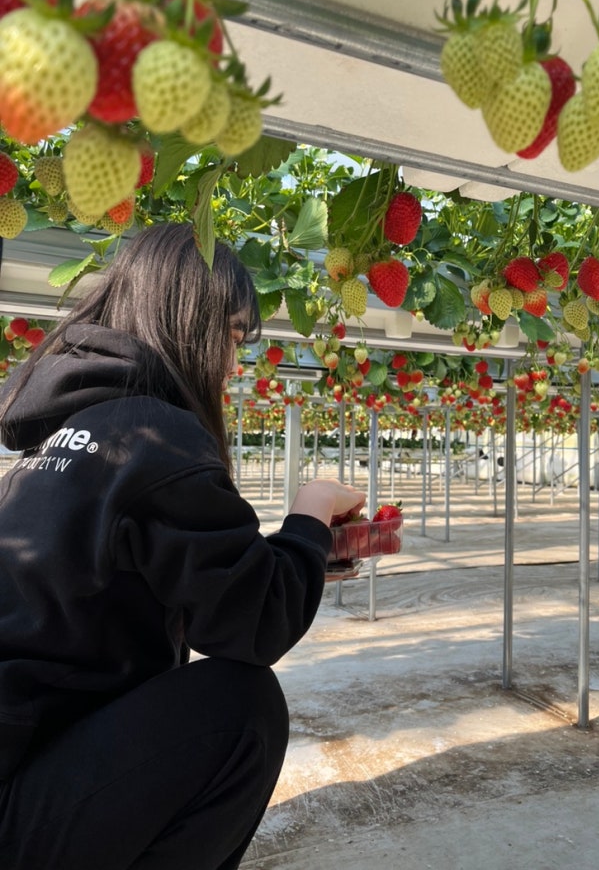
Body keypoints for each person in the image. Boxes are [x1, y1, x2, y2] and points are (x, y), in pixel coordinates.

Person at [0, 222, 366, 870]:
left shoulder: (59, 436)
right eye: (230, 335)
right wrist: (311, 507)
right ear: (187, 320)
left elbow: (189, 576)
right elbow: (254, 624)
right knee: (241, 707)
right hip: (19, 805)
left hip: (24, 756)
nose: (232, 364)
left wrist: (303, 554)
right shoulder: (153, 432)